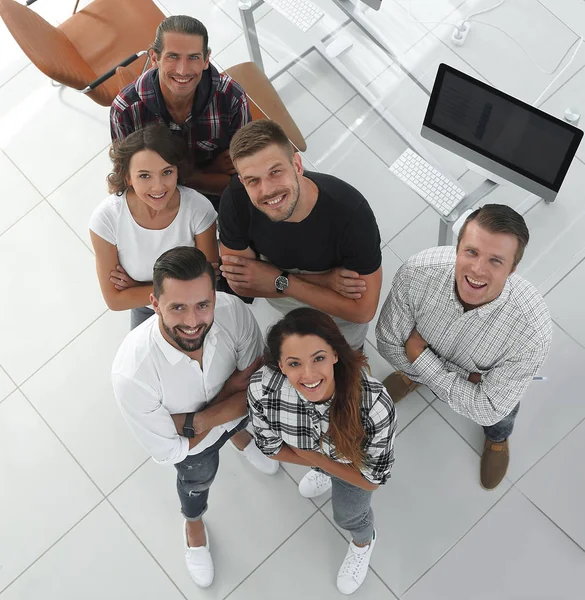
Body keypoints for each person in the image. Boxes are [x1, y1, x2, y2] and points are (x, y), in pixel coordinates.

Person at [111, 246, 278, 589]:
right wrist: (229, 394)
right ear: (154, 304)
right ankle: (194, 525)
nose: (192, 322)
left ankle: (239, 437)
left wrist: (194, 422)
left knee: (240, 423)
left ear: (214, 294)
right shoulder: (132, 375)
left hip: (205, 429)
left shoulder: (231, 310)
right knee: (196, 482)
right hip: (194, 451)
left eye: (203, 305)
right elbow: (172, 451)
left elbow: (256, 386)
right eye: (178, 307)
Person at [375, 204, 552, 490]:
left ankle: (497, 439)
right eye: (471, 252)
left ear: (513, 269)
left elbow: (489, 409)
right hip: (454, 372)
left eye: (496, 260)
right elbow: (387, 344)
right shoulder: (418, 272)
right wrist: (467, 382)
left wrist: (421, 358)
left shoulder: (532, 333)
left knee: (501, 418)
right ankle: (415, 377)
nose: (478, 270)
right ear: (457, 247)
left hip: (428, 360)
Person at [248, 307, 396, 595]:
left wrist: (315, 459)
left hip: (354, 468)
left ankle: (363, 541)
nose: (309, 374)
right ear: (279, 365)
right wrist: (318, 461)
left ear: (335, 354)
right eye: (294, 364)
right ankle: (324, 471)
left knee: (348, 515)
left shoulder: (375, 406)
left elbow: (371, 481)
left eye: (318, 358)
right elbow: (270, 447)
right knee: (319, 460)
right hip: (315, 456)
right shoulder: (263, 389)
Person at [218, 120, 383, 350]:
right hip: (292, 303)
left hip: (337, 318)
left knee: (348, 354)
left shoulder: (350, 213)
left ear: (296, 165)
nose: (267, 190)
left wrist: (277, 280)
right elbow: (242, 284)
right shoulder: (236, 199)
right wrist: (324, 281)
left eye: (275, 172)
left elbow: (362, 310)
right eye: (252, 180)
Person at [110, 15, 251, 206]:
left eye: (193, 57)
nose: (183, 70)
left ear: (206, 59)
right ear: (154, 57)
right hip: (162, 201)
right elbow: (132, 184)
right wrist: (205, 173)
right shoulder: (125, 110)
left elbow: (248, 179)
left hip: (224, 198)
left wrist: (175, 178)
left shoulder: (231, 97)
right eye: (173, 56)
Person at [89, 123, 219, 330]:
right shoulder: (106, 218)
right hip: (146, 309)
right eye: (144, 176)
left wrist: (138, 289)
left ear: (177, 171)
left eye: (167, 172)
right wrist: (167, 291)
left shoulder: (198, 208)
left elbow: (209, 285)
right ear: (128, 178)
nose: (158, 186)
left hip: (197, 306)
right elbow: (115, 300)